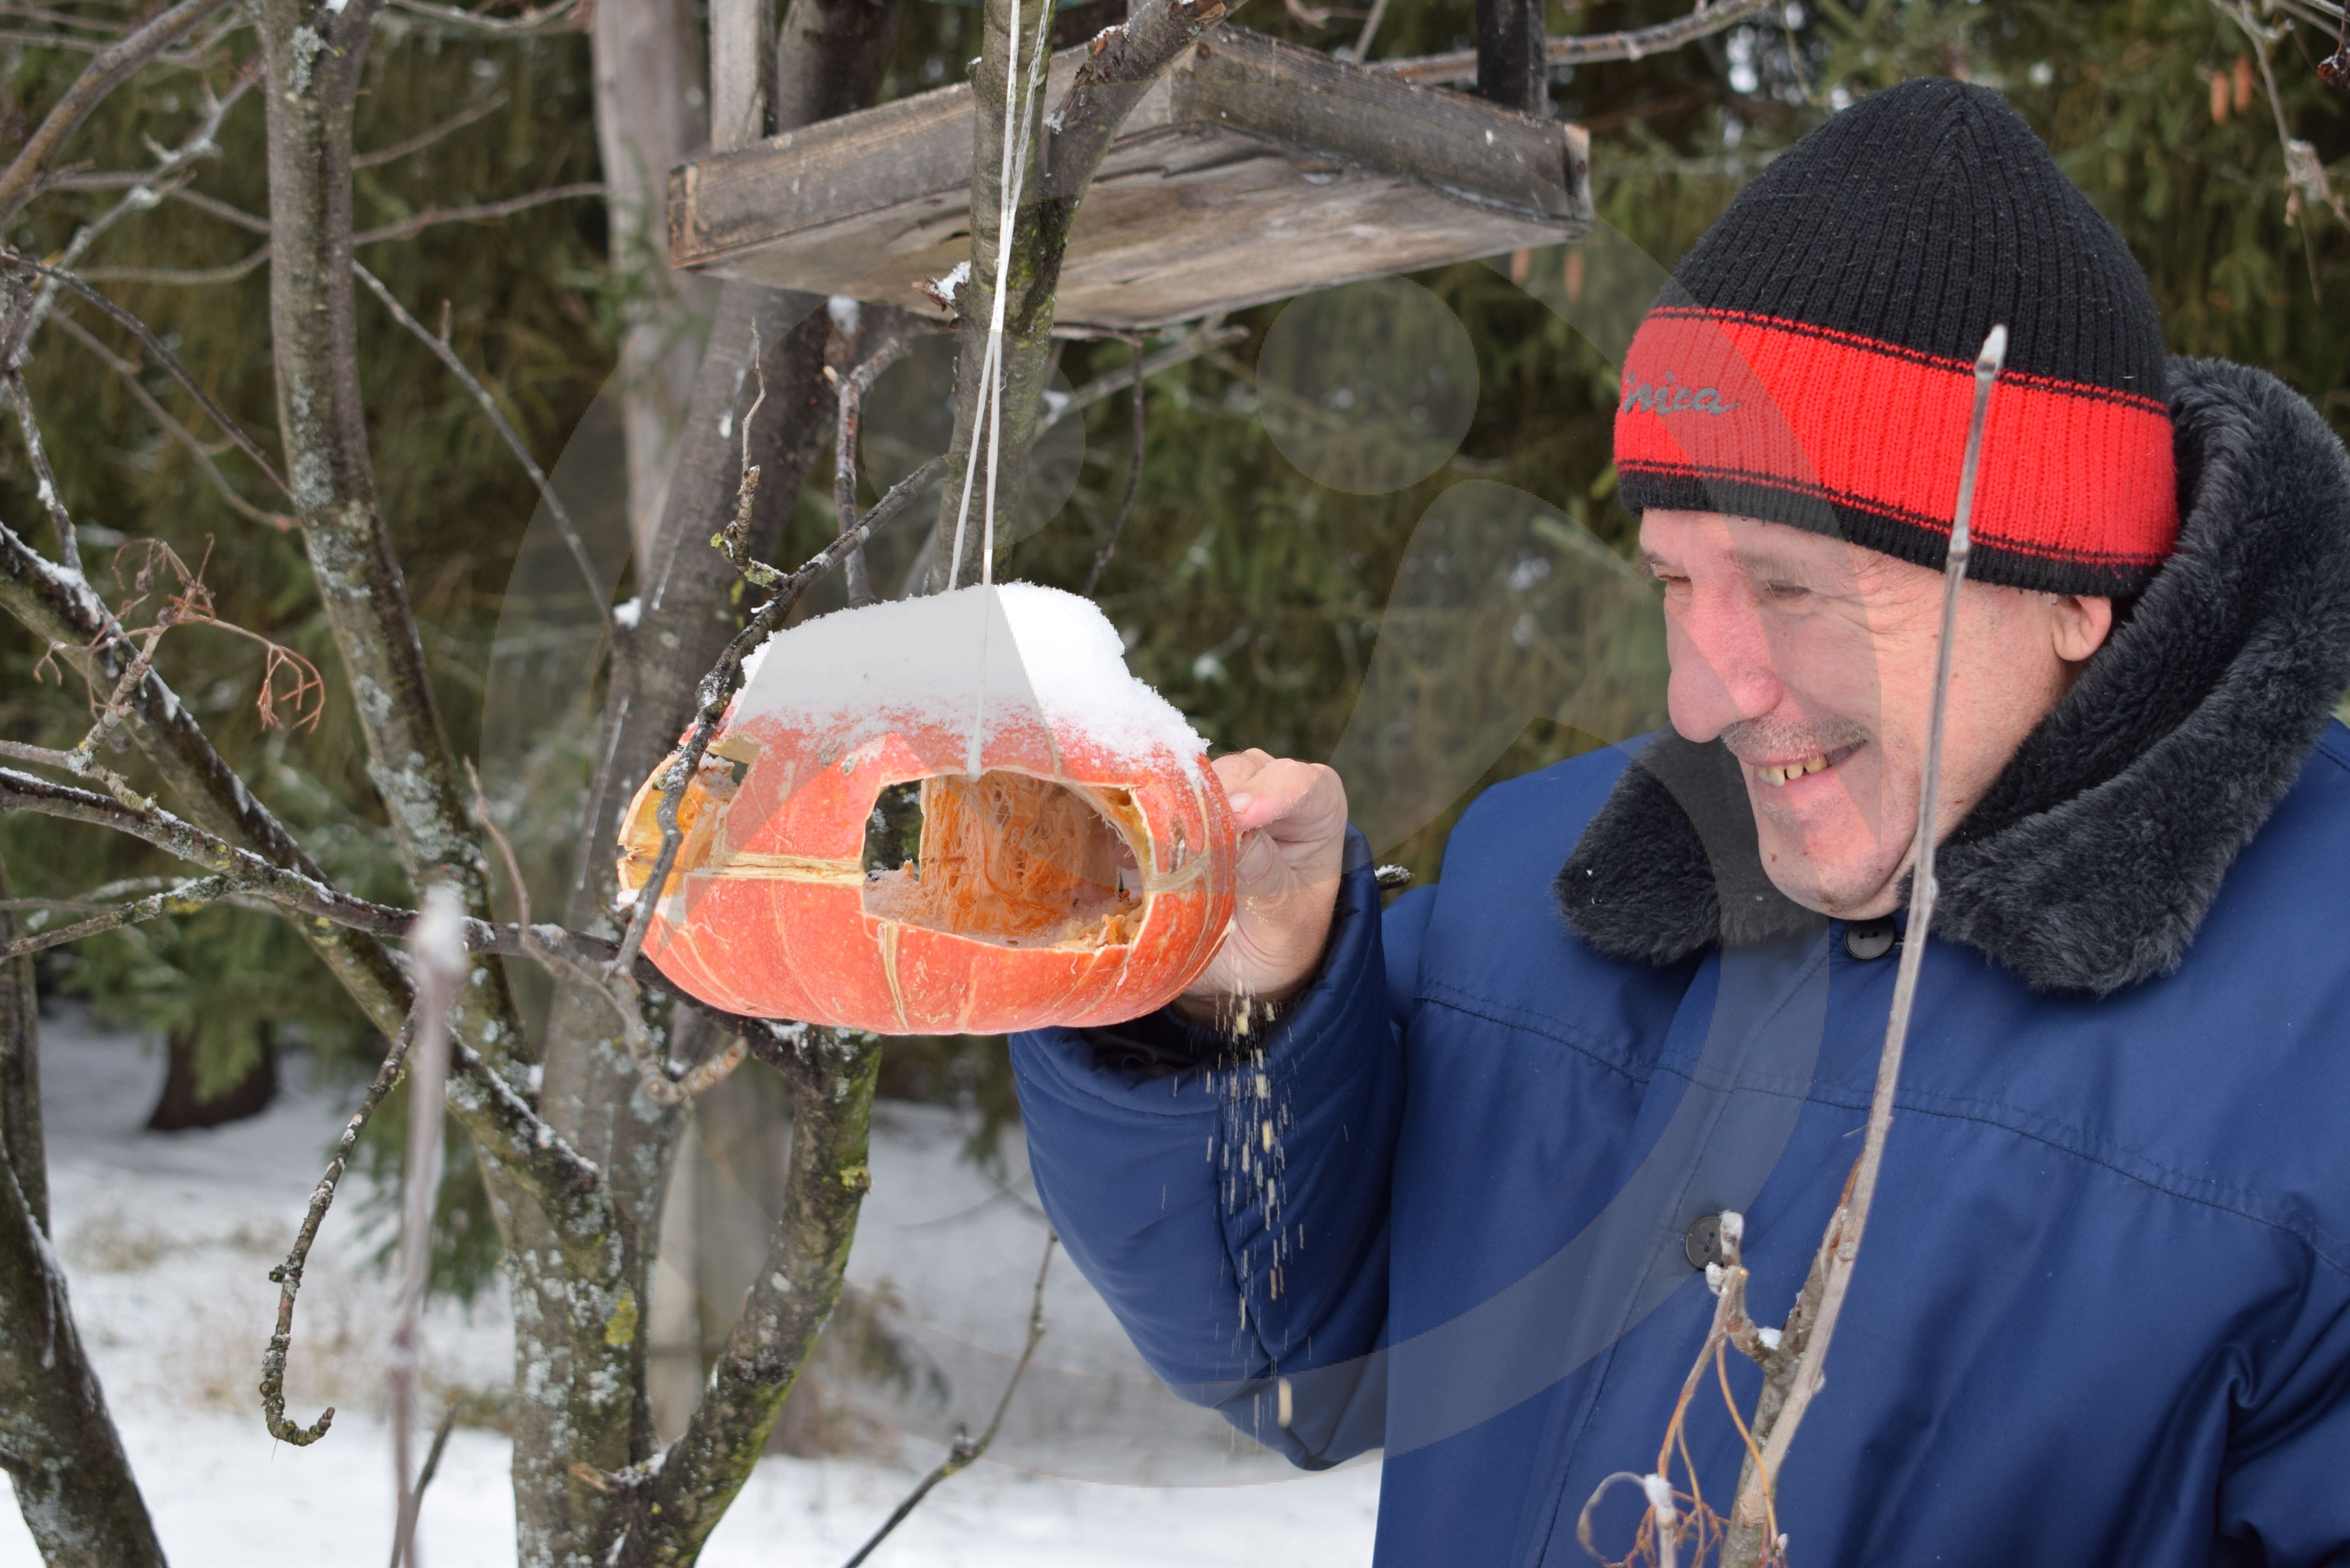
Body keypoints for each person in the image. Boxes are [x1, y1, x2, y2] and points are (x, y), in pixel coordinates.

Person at [1009, 77, 2350, 1565]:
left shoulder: (2320, 1020)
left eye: (1792, 588)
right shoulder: (1555, 880)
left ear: (2071, 588)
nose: (1704, 696)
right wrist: (1237, 1003)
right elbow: (1284, 1347)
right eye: (1676, 582)